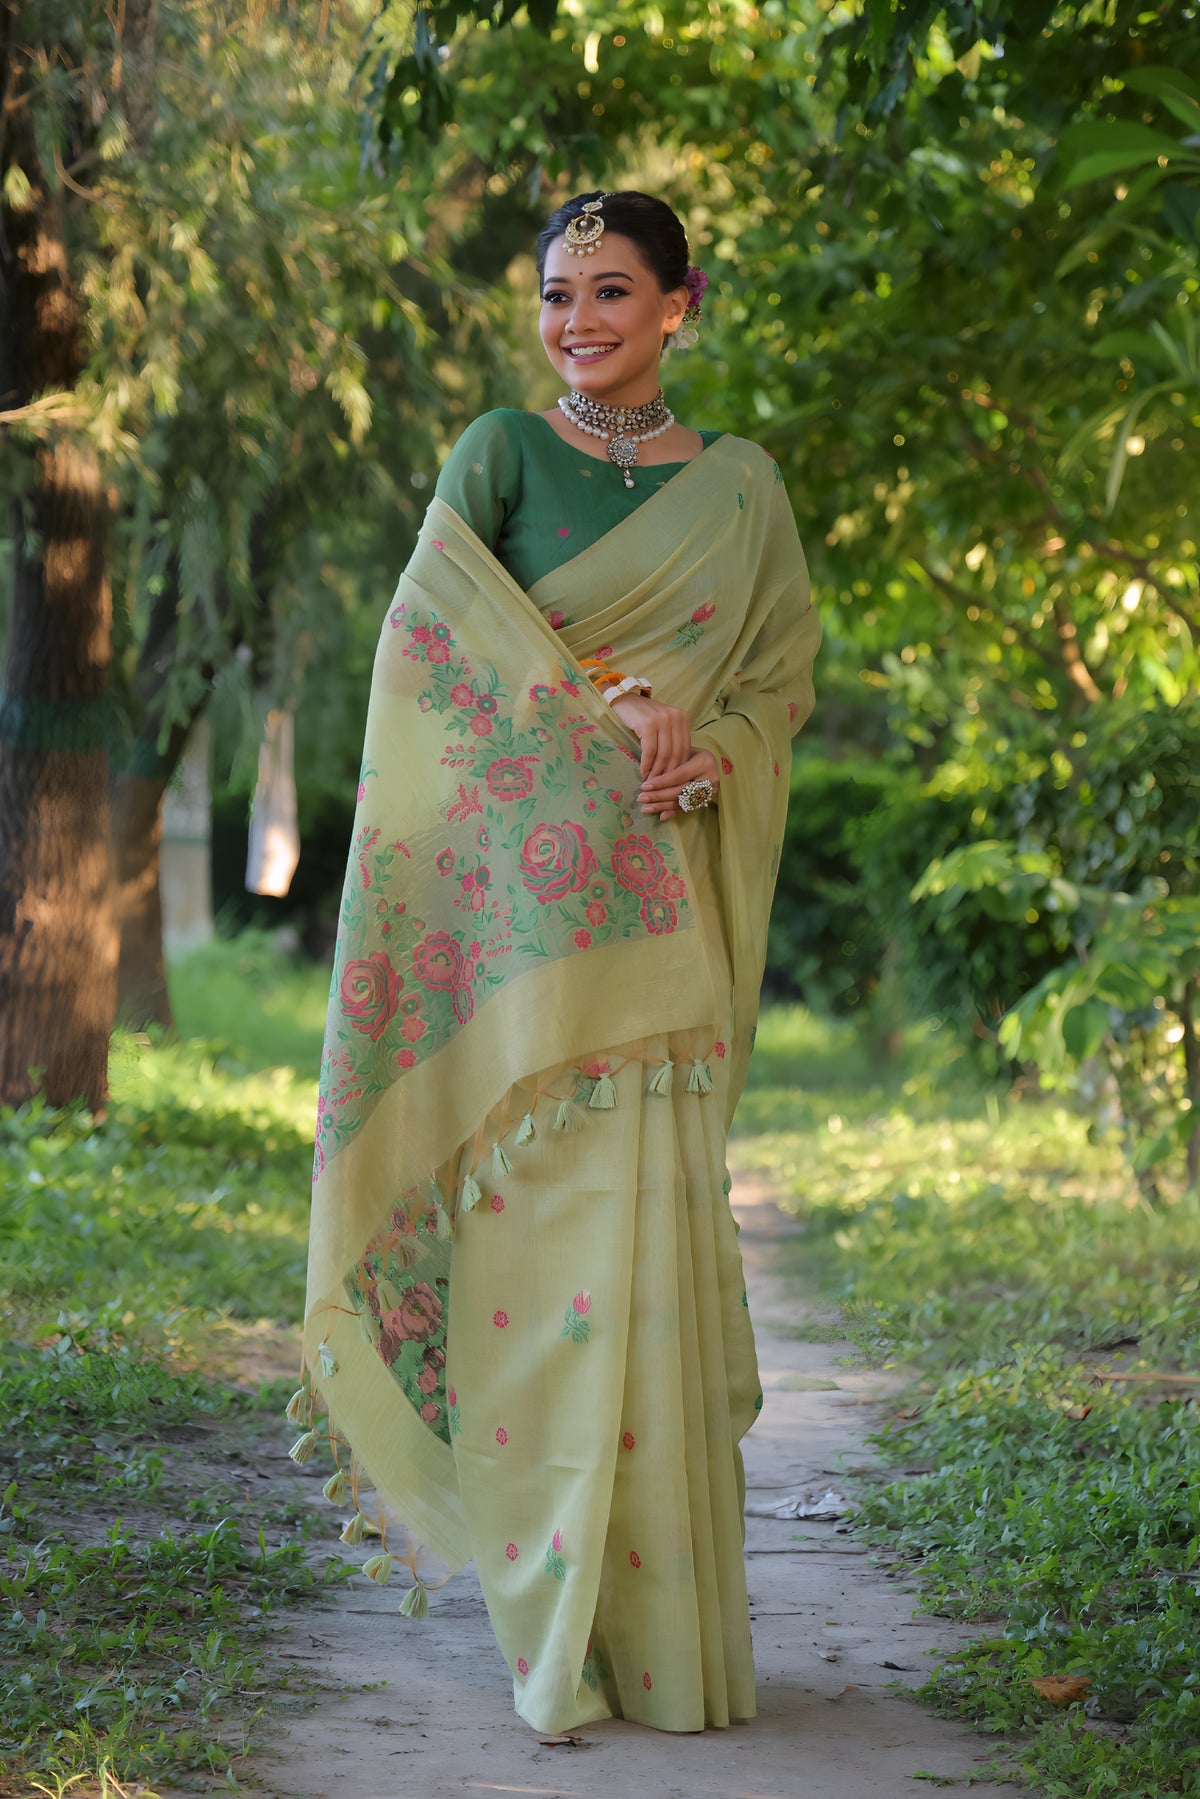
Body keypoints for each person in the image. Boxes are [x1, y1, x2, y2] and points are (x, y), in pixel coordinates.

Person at [296, 189, 821, 1737]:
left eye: (610, 291)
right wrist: (611, 708)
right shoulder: (499, 457)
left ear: (682, 302)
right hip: (524, 967)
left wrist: (700, 739)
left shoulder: (741, 490)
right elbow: (432, 663)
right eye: (555, 295)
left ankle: (664, 1648)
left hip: (661, 946)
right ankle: (556, 1645)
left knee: (646, 1292)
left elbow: (781, 685)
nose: (577, 321)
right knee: (538, 1304)